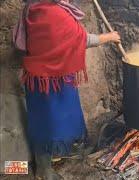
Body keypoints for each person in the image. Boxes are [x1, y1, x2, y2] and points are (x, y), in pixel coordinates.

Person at [13, 0, 121, 179]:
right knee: (55, 123)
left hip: (36, 79)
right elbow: (82, 39)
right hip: (54, 81)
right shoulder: (55, 13)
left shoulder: (33, 7)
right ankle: (44, 170)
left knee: (42, 122)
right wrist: (109, 37)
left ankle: (51, 159)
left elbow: (23, 43)